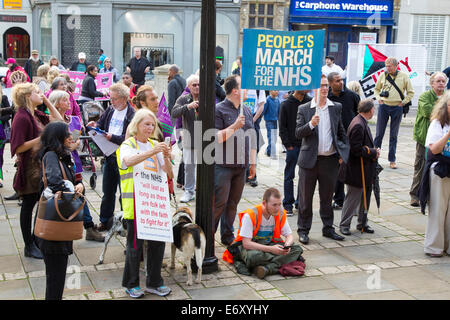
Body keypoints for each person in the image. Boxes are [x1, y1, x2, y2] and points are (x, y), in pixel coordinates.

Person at [117, 108, 172, 298]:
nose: (150, 128)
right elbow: (128, 161)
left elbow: (169, 174)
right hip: (135, 203)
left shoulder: (155, 144)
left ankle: (154, 282)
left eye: (152, 124)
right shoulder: (127, 144)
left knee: (158, 244)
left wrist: (165, 156)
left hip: (154, 203)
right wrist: (153, 151)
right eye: (146, 124)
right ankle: (131, 284)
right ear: (136, 125)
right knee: (134, 247)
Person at [10, 83, 63, 259]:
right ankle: (28, 245)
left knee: (40, 204)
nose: (41, 94)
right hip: (30, 168)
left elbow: (59, 122)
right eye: (37, 93)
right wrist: (41, 138)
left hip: (40, 165)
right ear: (27, 96)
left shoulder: (35, 114)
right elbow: (18, 148)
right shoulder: (22, 117)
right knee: (28, 205)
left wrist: (47, 101)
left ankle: (35, 239)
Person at [295, 74, 350, 244]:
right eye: (321, 86)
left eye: (326, 85)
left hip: (329, 161)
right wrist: (311, 124)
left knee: (327, 198)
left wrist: (342, 154)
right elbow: (298, 133)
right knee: (305, 198)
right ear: (314, 88)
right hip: (309, 161)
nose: (325, 88)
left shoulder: (336, 107)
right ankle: (303, 230)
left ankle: (328, 228)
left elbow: (341, 132)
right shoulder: (304, 108)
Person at [36, 121, 83, 300]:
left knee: (58, 277)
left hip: (60, 222)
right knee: (55, 278)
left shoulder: (62, 156)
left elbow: (69, 180)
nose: (71, 137)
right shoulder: (50, 156)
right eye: (67, 134)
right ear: (58, 138)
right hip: (53, 226)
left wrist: (79, 185)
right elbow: (56, 182)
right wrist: (73, 187)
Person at [49, 90, 104, 242]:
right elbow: (57, 143)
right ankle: (83, 226)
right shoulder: (52, 121)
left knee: (80, 191)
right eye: (65, 100)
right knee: (70, 193)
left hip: (73, 161)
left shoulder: (73, 119)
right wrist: (69, 146)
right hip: (61, 164)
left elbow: (76, 139)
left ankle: (87, 226)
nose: (69, 103)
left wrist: (72, 146)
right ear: (57, 103)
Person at [222, 188, 304, 279]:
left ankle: (266, 268)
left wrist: (287, 245)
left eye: (279, 204)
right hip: (251, 247)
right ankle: (274, 265)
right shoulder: (250, 215)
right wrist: (272, 250)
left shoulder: (280, 213)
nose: (277, 208)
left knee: (297, 249)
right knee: (253, 257)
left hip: (269, 245)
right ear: (264, 203)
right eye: (274, 205)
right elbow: (246, 244)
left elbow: (289, 235)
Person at [214, 75, 257, 246]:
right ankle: (209, 237)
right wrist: (234, 127)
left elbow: (252, 138)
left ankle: (227, 235)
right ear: (235, 91)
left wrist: (253, 163)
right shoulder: (218, 109)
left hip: (241, 166)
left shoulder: (246, 110)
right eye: (244, 86)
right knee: (219, 203)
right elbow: (216, 138)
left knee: (233, 204)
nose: (247, 90)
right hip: (223, 166)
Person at [86, 83, 135, 231]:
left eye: (114, 99)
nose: (111, 102)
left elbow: (129, 138)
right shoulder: (110, 109)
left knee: (123, 194)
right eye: (110, 98)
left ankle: (124, 222)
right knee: (107, 192)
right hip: (109, 155)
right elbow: (101, 123)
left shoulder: (131, 114)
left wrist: (112, 137)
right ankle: (105, 220)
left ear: (124, 98)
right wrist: (95, 125)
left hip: (122, 157)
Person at [339, 99, 379, 235]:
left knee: (365, 197)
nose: (374, 111)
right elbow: (355, 149)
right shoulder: (358, 125)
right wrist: (373, 152)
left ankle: (362, 223)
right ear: (369, 110)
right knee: (353, 198)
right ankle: (344, 224)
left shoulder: (361, 122)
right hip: (357, 169)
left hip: (365, 168)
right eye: (373, 108)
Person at [410, 72, 448, 207]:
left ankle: (428, 195)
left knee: (437, 167)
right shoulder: (425, 96)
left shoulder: (446, 97)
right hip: (424, 136)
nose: (441, 84)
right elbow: (428, 112)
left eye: (443, 81)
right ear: (432, 83)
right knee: (420, 166)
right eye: (438, 81)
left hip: (442, 140)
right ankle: (414, 195)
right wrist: (444, 110)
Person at [420, 93, 450, 257]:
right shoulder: (437, 124)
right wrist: (448, 134)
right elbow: (434, 149)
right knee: (438, 210)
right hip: (439, 170)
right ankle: (434, 247)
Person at [374, 57, 415, 169]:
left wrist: (403, 102)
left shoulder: (404, 76)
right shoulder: (383, 75)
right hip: (384, 107)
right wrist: (379, 99)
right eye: (386, 66)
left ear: (396, 65)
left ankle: (392, 160)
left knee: (394, 135)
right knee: (379, 134)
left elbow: (411, 92)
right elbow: (376, 89)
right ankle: (373, 158)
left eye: (390, 66)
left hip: (397, 107)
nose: (387, 68)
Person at [327, 71, 360, 210]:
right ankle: (338, 198)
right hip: (334, 139)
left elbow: (359, 115)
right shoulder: (327, 97)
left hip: (351, 138)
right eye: (336, 81)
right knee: (337, 170)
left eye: (341, 80)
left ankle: (354, 201)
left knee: (352, 169)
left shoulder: (352, 96)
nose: (340, 82)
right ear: (330, 83)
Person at [279, 90, 312, 216]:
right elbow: (282, 127)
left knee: (304, 176)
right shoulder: (286, 104)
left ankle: (300, 202)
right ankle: (288, 204)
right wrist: (288, 145)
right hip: (293, 146)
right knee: (289, 175)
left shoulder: (309, 102)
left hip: (306, 145)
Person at [171, 75, 200, 203]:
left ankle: (205, 191)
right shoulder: (184, 99)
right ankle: (189, 191)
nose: (197, 87)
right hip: (189, 138)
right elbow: (174, 112)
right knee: (189, 166)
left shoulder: (207, 98)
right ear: (188, 86)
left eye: (199, 84)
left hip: (206, 138)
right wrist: (188, 107)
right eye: (194, 85)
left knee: (206, 167)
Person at [243, 89, 266, 187]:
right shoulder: (241, 84)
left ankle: (252, 176)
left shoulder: (258, 89)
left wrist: (253, 120)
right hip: (241, 120)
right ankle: (243, 174)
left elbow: (261, 106)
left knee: (254, 148)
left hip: (253, 121)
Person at [0, 86, 14, 187]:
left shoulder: (3, 98)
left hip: (1, 132)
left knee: (0, 156)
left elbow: (10, 113)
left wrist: (1, 118)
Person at [262, 90, 280, 158]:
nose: (277, 92)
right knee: (271, 137)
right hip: (269, 121)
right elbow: (263, 110)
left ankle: (268, 151)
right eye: (275, 90)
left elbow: (279, 110)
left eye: (277, 90)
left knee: (275, 138)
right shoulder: (267, 100)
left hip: (275, 121)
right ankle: (273, 154)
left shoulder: (277, 100)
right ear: (270, 91)